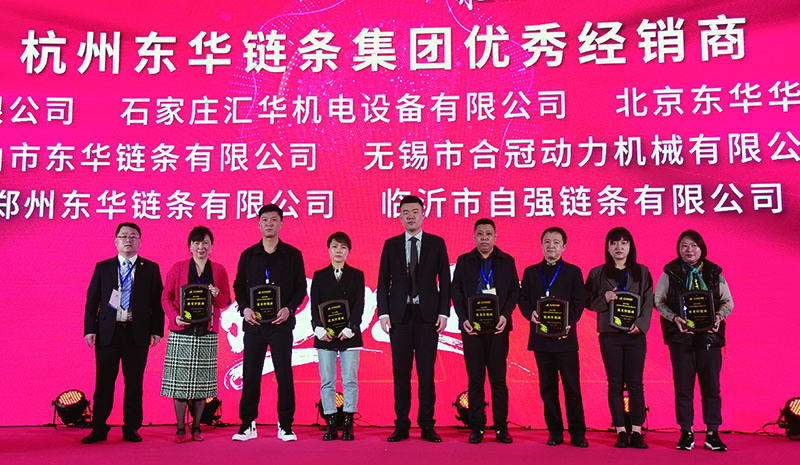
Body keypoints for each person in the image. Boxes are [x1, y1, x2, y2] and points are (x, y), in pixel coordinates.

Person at [82, 222, 165, 444]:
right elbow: (92, 300)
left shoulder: (150, 268)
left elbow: (157, 303)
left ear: (140, 241)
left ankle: (131, 427)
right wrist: (90, 329)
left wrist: (156, 330)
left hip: (136, 333)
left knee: (134, 384)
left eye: (133, 236)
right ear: (116, 241)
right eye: (124, 236)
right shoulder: (103, 267)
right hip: (108, 333)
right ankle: (99, 428)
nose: (128, 240)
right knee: (104, 383)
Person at [377, 195, 450, 443]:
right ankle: (402, 425)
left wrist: (443, 312)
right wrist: (384, 313)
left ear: (423, 214)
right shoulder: (391, 244)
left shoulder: (436, 243)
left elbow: (445, 281)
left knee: (426, 373)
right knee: (401, 373)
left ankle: (427, 425)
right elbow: (383, 280)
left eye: (415, 211)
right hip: (399, 317)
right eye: (405, 212)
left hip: (428, 317)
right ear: (399, 216)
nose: (410, 216)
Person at [231, 204, 307, 442]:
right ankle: (247, 424)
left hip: (281, 325)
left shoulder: (293, 255)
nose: (269, 224)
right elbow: (238, 286)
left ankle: (285, 425)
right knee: (250, 374)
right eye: (265, 220)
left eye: (274, 220)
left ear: (281, 224)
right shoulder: (248, 255)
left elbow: (301, 288)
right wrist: (244, 308)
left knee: (284, 374)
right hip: (254, 326)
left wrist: (289, 309)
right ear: (259, 224)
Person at [655, 230, 733, 452]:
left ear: (701, 248)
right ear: (679, 249)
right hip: (681, 338)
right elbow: (658, 301)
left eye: (694, 246)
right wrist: (675, 318)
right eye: (684, 246)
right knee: (683, 388)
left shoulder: (714, 272)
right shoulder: (670, 273)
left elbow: (728, 302)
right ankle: (686, 432)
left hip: (710, 338)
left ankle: (712, 433)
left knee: (711, 388)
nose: (689, 250)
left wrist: (718, 317)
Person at [518, 226, 588, 447]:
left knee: (572, 389)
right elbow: (523, 299)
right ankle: (555, 432)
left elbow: (579, 302)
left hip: (565, 340)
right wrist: (531, 313)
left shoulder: (573, 272)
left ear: (564, 247)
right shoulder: (530, 272)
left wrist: (569, 322)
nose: (551, 246)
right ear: (541, 245)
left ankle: (577, 433)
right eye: (547, 241)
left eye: (556, 242)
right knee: (548, 390)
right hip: (541, 341)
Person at [160, 226, 231, 443]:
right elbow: (166, 297)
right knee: (179, 385)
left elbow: (226, 301)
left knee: (202, 385)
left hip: (206, 332)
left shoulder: (218, 270)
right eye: (197, 243)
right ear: (190, 246)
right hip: (182, 331)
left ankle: (197, 426)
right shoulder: (178, 268)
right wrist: (174, 318)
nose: (201, 247)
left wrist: (217, 294)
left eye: (205, 243)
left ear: (211, 246)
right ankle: (181, 428)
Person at [451, 218, 519, 444]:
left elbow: (514, 292)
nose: (484, 238)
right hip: (472, 329)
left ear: (495, 237)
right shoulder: (464, 261)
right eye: (480, 234)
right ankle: (477, 427)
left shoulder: (507, 261)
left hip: (498, 329)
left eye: (488, 234)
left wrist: (505, 315)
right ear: (474, 237)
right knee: (475, 380)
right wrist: (463, 319)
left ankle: (501, 428)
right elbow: (456, 292)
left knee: (498, 380)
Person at [585, 227, 653, 449]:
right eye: (614, 243)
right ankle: (621, 431)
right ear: (607, 247)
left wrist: (641, 325)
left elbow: (648, 302)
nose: (619, 247)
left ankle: (637, 431)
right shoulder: (597, 273)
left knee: (635, 384)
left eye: (624, 243)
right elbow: (586, 301)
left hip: (635, 335)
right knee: (614, 383)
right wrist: (603, 299)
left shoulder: (642, 272)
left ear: (630, 246)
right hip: (609, 334)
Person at [310, 232, 365, 441]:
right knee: (327, 381)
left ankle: (348, 425)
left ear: (348, 251)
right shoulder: (319, 276)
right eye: (335, 247)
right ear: (329, 250)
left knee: (350, 380)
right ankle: (331, 424)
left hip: (350, 335)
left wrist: (352, 327)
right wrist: (318, 328)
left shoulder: (357, 275)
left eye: (343, 247)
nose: (338, 251)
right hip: (325, 335)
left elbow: (359, 304)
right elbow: (315, 304)